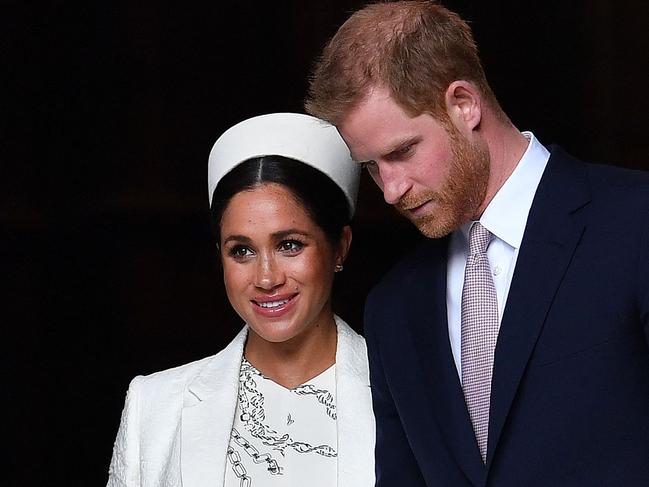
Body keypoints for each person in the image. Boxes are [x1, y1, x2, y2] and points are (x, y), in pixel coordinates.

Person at [305, 2, 649, 486]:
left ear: (464, 104)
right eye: (370, 167)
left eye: (402, 152)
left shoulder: (635, 224)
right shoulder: (393, 309)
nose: (390, 190)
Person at [106, 113, 375, 487]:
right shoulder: (154, 406)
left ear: (339, 248)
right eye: (242, 251)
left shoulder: (404, 395)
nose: (266, 278)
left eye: (289, 245)